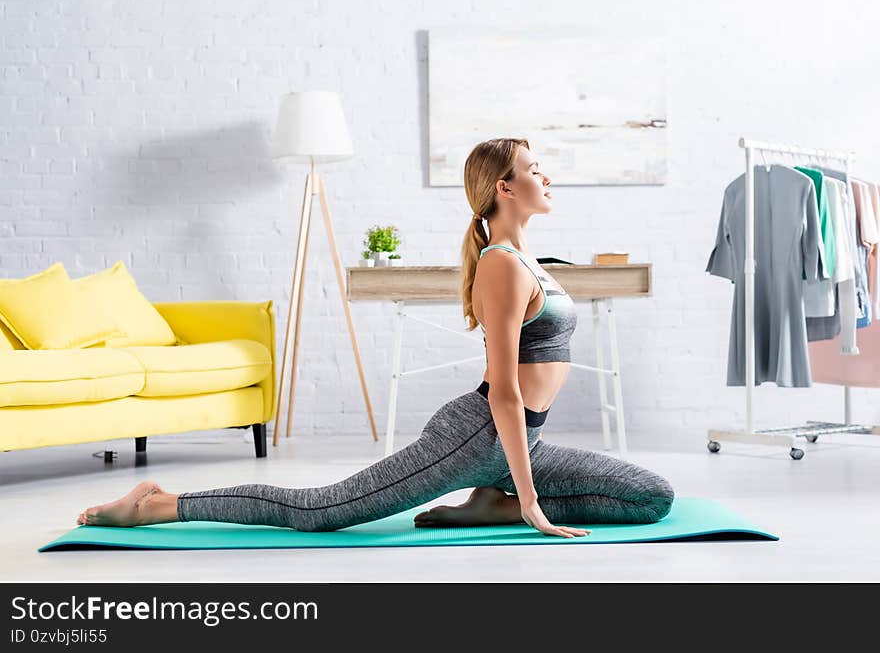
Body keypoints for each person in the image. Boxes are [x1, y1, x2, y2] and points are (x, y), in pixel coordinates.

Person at [76, 137, 675, 538]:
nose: (547, 175)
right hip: (476, 435)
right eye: (534, 168)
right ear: (505, 189)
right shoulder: (501, 264)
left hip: (526, 440)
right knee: (322, 510)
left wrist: (521, 490)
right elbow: (504, 391)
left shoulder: (529, 258)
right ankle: (156, 504)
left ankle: (492, 502)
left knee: (652, 498)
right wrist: (532, 500)